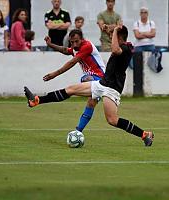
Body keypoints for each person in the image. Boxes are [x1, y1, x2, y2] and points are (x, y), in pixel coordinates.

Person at [24, 25, 154, 147]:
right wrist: (108, 29)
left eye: (113, 36)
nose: (110, 38)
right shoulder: (119, 45)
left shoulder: (125, 48)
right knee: (70, 90)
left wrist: (114, 31)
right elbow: (67, 50)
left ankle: (144, 134)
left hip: (111, 89)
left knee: (112, 120)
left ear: (119, 37)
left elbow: (114, 48)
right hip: (102, 83)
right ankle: (37, 100)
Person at [44, 28, 105, 133]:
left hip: (100, 77)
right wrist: (51, 44)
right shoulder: (74, 48)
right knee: (91, 103)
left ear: (82, 39)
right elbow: (65, 50)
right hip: (91, 79)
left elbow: (72, 62)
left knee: (86, 80)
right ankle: (78, 131)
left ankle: (71, 93)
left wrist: (55, 74)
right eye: (72, 42)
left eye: (77, 41)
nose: (74, 44)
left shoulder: (87, 46)